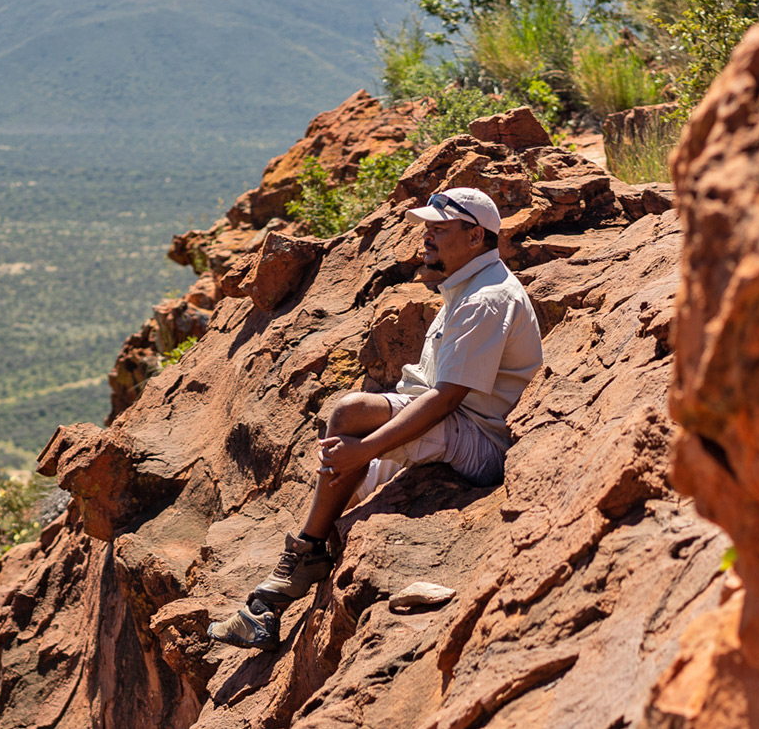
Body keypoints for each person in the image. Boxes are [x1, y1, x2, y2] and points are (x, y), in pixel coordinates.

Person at [209, 186, 544, 650]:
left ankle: (290, 575)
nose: (426, 238)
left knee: (349, 420)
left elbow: (446, 399)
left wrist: (366, 448)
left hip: (479, 440)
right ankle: (273, 599)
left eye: (439, 230)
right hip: (457, 426)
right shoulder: (469, 286)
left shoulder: (485, 299)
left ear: (474, 238)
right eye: (427, 228)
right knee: (342, 491)